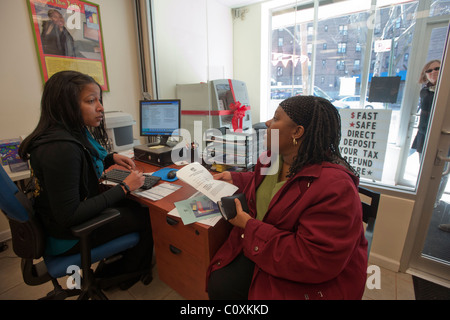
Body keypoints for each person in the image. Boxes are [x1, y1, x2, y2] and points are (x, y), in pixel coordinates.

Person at [206, 95, 368, 300]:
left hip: (308, 275)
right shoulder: (273, 158)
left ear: (297, 132)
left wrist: (249, 227)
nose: (266, 123)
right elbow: (270, 186)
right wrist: (236, 177)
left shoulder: (336, 188)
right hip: (267, 245)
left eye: (275, 118)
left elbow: (313, 260)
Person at [19, 70, 153, 289]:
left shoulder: (64, 133)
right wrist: (125, 187)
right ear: (66, 105)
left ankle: (114, 264)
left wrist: (111, 158)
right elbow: (69, 215)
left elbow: (82, 165)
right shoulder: (61, 149)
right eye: (91, 101)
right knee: (145, 215)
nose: (100, 107)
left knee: (129, 205)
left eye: (99, 100)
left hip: (54, 223)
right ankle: (125, 275)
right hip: (67, 237)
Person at [411, 60, 441, 159]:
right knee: (423, 165)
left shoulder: (445, 91)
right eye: (429, 70)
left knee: (440, 169)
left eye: (437, 68)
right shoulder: (424, 91)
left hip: (441, 136)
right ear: (425, 75)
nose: (433, 72)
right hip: (424, 133)